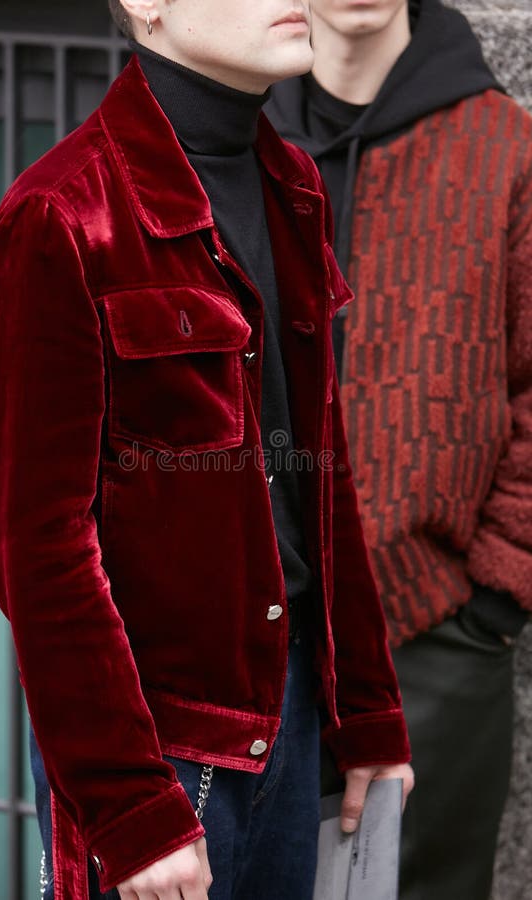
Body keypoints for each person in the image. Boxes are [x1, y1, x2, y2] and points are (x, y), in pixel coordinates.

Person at [0, 2, 414, 899]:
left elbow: (321, 479)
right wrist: (131, 808)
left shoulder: (291, 183)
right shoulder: (61, 215)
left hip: (293, 715)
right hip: (162, 748)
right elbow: (41, 550)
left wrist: (367, 714)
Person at [266, 0, 532, 897]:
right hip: (251, 635)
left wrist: (491, 601)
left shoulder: (506, 148)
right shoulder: (236, 138)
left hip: (432, 635)